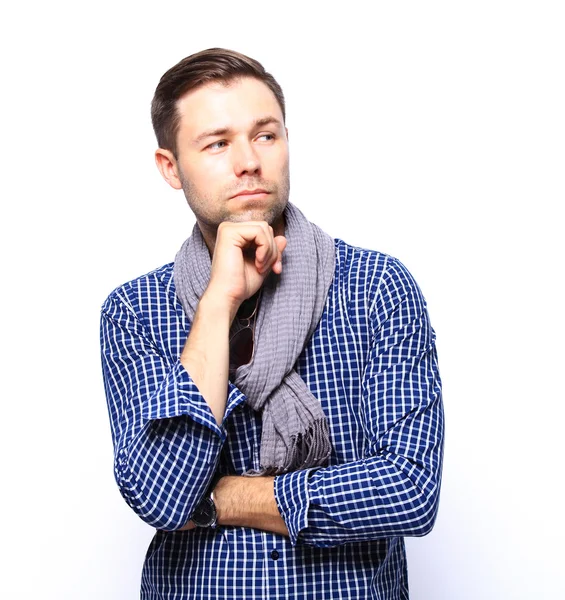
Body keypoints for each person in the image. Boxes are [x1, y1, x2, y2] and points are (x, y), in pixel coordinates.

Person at [100, 48, 444, 600]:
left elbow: (408, 490)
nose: (249, 162)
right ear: (170, 167)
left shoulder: (376, 287)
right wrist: (219, 302)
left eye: (266, 135)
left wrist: (222, 498)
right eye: (217, 143)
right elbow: (163, 496)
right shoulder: (136, 310)